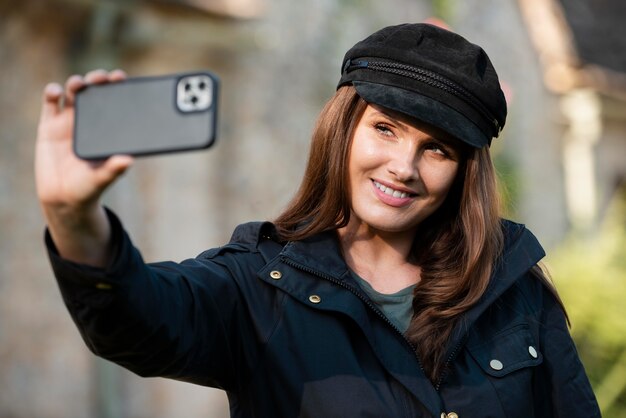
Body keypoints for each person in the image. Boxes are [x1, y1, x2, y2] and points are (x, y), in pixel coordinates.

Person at [35, 23, 601, 418]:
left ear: (463, 173)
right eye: (385, 128)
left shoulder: (514, 293)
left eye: (438, 150)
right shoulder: (258, 285)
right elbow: (137, 319)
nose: (403, 168)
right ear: (343, 128)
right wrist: (73, 217)